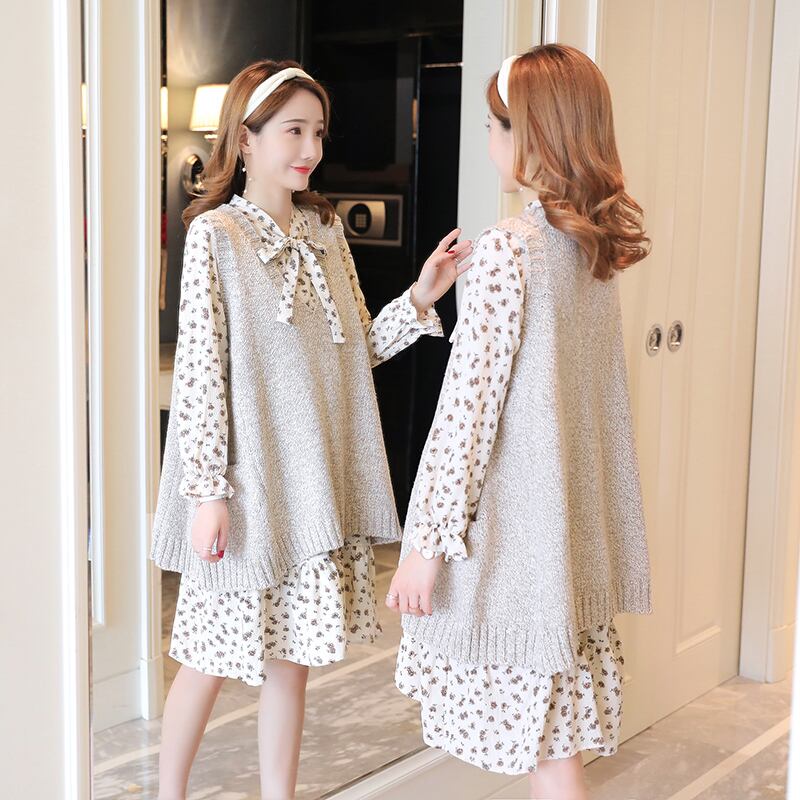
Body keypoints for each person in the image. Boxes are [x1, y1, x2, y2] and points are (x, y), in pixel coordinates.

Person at [149, 58, 473, 800]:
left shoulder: (326, 230)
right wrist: (207, 491)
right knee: (205, 655)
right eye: (293, 131)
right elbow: (200, 375)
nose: (311, 149)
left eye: (319, 133)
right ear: (247, 137)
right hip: (245, 483)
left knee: (290, 660)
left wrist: (421, 297)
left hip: (311, 483)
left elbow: (355, 349)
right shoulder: (215, 237)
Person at [386, 44, 653, 800]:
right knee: (555, 741)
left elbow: (464, 417)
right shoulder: (588, 248)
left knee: (550, 750)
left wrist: (426, 546)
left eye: (495, 124)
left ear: (531, 133)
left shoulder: (511, 249)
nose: (488, 139)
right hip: (566, 534)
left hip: (517, 544)